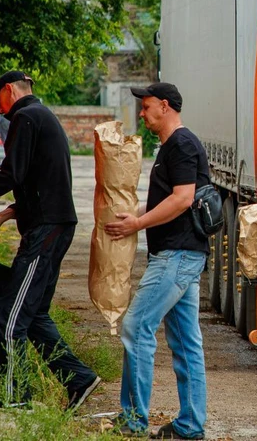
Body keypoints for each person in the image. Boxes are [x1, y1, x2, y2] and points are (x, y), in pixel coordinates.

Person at [0, 70, 100, 411]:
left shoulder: (26, 118)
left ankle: (15, 396)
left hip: (46, 230)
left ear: (9, 90)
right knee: (35, 314)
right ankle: (79, 379)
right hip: (54, 225)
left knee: (8, 313)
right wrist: (4, 214)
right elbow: (38, 182)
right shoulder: (42, 117)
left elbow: (11, 174)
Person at [104, 82, 208, 440]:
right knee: (185, 344)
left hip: (175, 257)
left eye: (147, 107)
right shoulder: (173, 146)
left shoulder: (180, 144)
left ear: (165, 106)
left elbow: (182, 199)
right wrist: (136, 213)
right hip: (181, 255)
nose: (143, 114)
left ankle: (133, 420)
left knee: (136, 328)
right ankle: (190, 426)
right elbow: (171, 200)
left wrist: (138, 223)